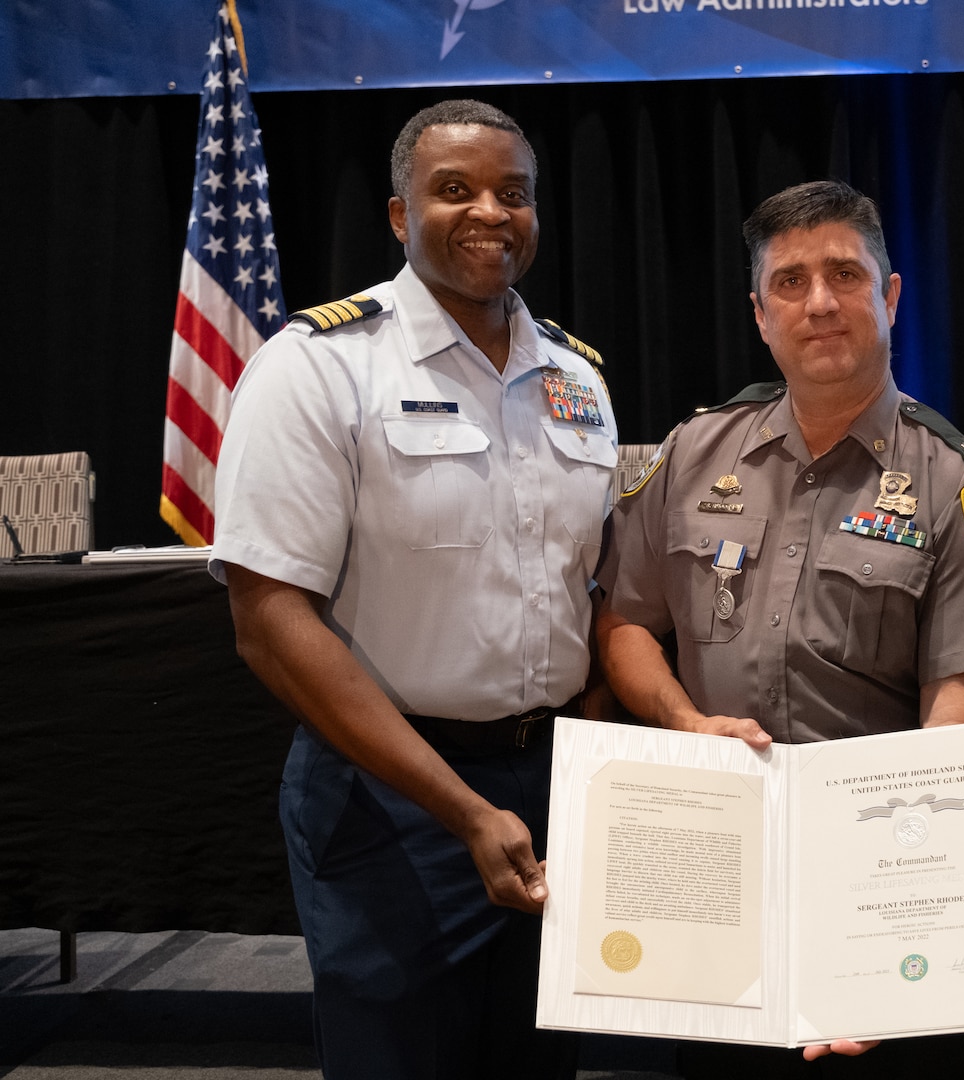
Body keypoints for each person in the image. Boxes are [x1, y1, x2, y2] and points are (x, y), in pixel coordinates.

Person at [210, 99, 616, 1079]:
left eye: (512, 193)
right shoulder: (317, 367)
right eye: (455, 190)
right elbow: (268, 622)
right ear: (400, 217)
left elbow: (591, 594)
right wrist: (463, 810)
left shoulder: (579, 377)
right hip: (389, 791)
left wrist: (597, 783)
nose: (490, 211)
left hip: (551, 783)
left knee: (538, 1063)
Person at [595, 179, 964, 1078]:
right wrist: (685, 725)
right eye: (790, 282)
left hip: (879, 870)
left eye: (844, 274)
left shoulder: (956, 481)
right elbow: (626, 625)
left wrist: (898, 885)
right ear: (759, 313)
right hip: (717, 866)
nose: (820, 301)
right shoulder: (690, 453)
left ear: (891, 294)